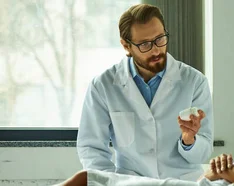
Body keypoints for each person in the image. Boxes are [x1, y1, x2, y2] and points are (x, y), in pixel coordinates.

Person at [60, 50, 234, 186]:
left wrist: (227, 171)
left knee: (88, 180)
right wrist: (221, 169)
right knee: (91, 178)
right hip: (206, 183)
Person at [76, 3, 213, 181]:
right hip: (131, 183)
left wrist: (189, 141)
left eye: (160, 39)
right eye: (145, 44)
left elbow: (203, 154)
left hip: (182, 182)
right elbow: (91, 147)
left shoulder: (194, 82)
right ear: (126, 46)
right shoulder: (103, 86)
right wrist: (111, 183)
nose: (156, 49)